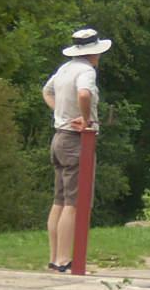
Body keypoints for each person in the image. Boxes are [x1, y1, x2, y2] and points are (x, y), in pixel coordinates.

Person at [42, 27, 111, 273]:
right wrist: (85, 119)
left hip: (59, 136)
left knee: (59, 199)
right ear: (94, 53)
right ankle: (64, 259)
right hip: (75, 140)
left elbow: (46, 92)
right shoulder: (86, 71)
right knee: (74, 201)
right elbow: (84, 94)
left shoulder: (64, 69)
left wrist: (60, 112)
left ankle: (54, 258)